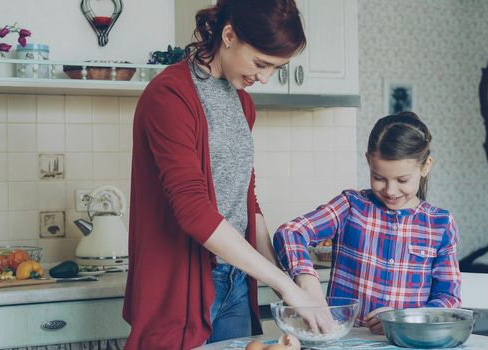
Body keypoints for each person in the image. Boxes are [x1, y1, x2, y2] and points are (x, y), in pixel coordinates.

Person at [122, 1, 332, 349]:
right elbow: (193, 211)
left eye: (276, 69)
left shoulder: (242, 103)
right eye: (261, 63)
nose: (264, 78)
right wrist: (285, 285)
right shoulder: (170, 95)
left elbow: (246, 201)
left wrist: (296, 277)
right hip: (182, 284)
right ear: (229, 35)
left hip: (235, 281)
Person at [273, 111, 462, 334]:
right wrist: (307, 281)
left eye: (402, 180)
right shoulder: (350, 206)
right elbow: (290, 232)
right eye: (379, 177)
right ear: (368, 161)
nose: (390, 191)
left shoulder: (439, 224)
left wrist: (403, 320)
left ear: (426, 166)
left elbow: (448, 298)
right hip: (342, 341)